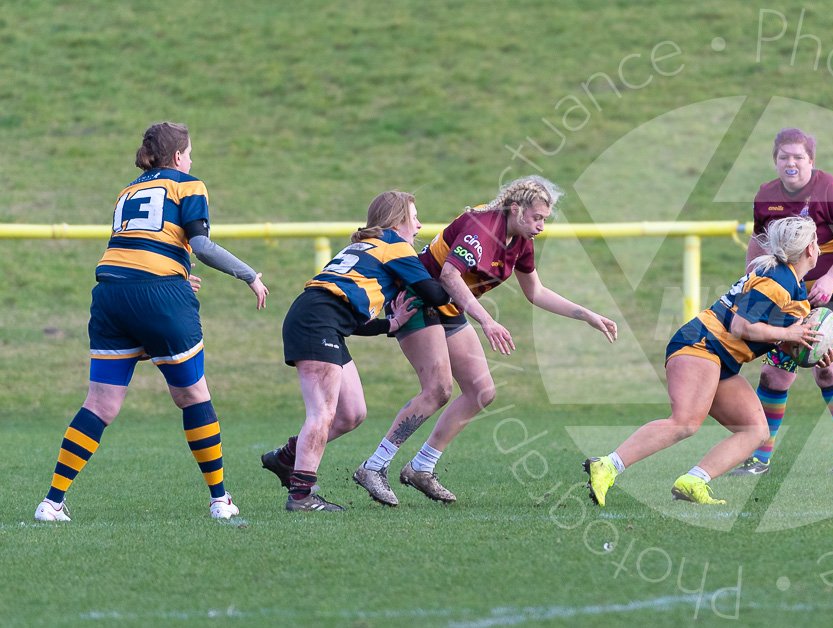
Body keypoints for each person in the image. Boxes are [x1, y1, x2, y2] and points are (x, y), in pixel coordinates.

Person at [34, 121, 269, 522]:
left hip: (110, 294)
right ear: (178, 156)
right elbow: (202, 246)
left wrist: (176, 274)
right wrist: (249, 274)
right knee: (194, 396)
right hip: (158, 297)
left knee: (100, 403)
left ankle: (51, 503)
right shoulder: (188, 184)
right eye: (190, 153)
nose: (192, 159)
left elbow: (139, 248)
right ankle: (220, 501)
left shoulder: (128, 191)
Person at [349, 175, 618, 506]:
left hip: (448, 304)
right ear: (516, 209)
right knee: (438, 389)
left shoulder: (520, 239)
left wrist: (587, 314)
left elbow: (536, 292)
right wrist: (487, 321)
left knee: (481, 391)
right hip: (417, 299)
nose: (541, 227)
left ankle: (422, 467)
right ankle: (373, 466)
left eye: (544, 220)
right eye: (537, 218)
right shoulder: (483, 228)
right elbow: (449, 275)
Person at [584, 216, 826, 506]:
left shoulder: (794, 288)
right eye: (817, 242)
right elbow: (741, 326)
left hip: (721, 358)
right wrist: (790, 332)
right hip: (701, 345)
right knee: (685, 422)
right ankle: (607, 465)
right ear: (810, 249)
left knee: (755, 430)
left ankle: (694, 481)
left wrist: (811, 350)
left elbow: (780, 337)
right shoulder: (777, 280)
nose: (820, 248)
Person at [270, 191, 449, 511]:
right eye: (415, 216)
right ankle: (301, 496)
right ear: (397, 221)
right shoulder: (395, 245)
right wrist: (456, 274)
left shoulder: (363, 246)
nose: (419, 225)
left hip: (321, 321)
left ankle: (286, 458)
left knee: (352, 413)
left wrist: (391, 325)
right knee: (322, 413)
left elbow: (348, 314)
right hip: (316, 323)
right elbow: (434, 293)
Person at [728, 128, 833, 477]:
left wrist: (831, 278)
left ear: (811, 160)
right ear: (775, 160)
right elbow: (759, 240)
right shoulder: (767, 195)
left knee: (826, 364)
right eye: (784, 157)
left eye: (797, 157)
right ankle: (758, 459)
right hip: (796, 293)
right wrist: (752, 279)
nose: (790, 163)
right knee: (775, 373)